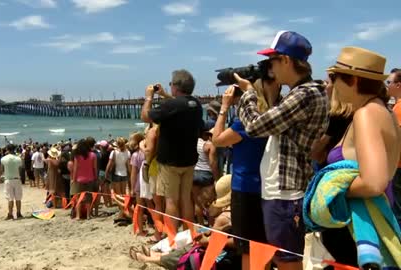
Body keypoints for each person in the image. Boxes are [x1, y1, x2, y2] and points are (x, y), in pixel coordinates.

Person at [235, 31, 329, 270]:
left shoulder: (305, 94)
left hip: (286, 193)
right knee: (282, 256)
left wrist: (248, 94)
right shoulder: (305, 92)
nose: (270, 68)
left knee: (286, 260)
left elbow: (256, 127)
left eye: (273, 61)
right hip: (284, 191)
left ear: (286, 60)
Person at [319, 47, 401, 266]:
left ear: (353, 80)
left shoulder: (366, 114)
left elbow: (374, 182)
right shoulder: (383, 111)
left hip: (357, 232)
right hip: (367, 225)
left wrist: (328, 189)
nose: (332, 83)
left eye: (335, 77)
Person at [212, 79, 280, 270]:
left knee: (248, 247)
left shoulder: (244, 123)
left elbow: (217, 139)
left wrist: (224, 108)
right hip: (268, 186)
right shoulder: (272, 117)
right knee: (263, 244)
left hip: (245, 188)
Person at [141, 69, 204, 226]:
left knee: (171, 201)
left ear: (175, 86)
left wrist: (149, 96)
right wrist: (164, 95)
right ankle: (190, 233)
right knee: (186, 199)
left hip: (170, 162)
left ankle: (172, 236)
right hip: (189, 161)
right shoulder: (195, 104)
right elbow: (179, 104)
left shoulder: (171, 105)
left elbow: (145, 116)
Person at [387, 68, 401, 227]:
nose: (387, 85)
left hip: (398, 165)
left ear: (398, 85)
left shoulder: (398, 109)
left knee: (397, 211)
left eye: (389, 82)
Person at [72, 139, 98, 220]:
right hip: (90, 178)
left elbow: (75, 169)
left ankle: (78, 215)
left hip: (79, 179)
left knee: (79, 198)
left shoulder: (77, 156)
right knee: (88, 198)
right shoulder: (93, 155)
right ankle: (88, 215)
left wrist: (73, 179)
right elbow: (95, 168)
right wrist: (95, 177)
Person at [1, 144, 23, 220]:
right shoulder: (18, 158)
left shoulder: (4, 158)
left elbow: (3, 168)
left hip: (8, 179)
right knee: (18, 198)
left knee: (10, 199)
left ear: (7, 149)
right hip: (17, 179)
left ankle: (10, 214)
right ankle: (19, 213)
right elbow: (20, 168)